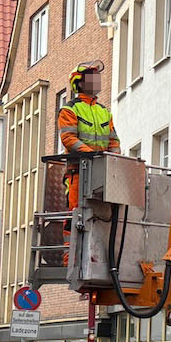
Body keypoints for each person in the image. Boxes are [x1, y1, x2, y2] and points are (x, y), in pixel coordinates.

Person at [57, 61, 120, 260]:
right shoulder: (70, 109)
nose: (96, 81)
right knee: (75, 214)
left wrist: (114, 159)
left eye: (97, 77)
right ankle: (71, 257)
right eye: (91, 77)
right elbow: (68, 138)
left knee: (101, 213)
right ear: (80, 83)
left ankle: (97, 256)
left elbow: (113, 140)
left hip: (100, 172)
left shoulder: (104, 111)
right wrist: (90, 154)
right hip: (78, 172)